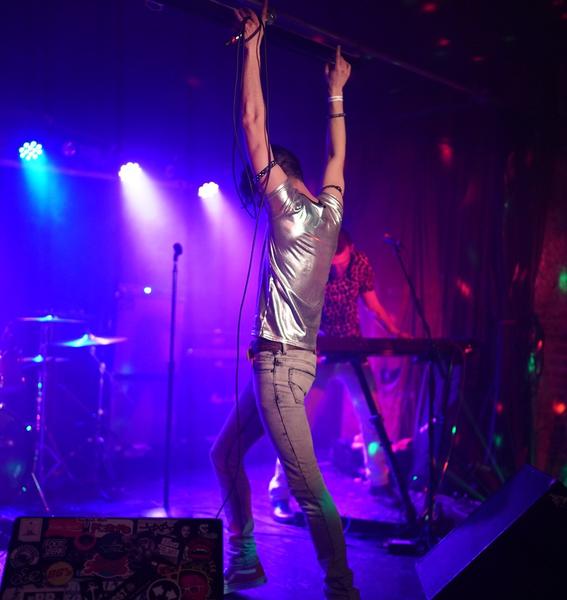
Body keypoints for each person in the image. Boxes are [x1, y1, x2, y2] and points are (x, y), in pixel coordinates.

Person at [209, 3, 360, 598]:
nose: (260, 187)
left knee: (308, 488)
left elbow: (253, 122)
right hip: (286, 365)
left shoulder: (290, 208)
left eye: (263, 179)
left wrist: (253, 44)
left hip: (277, 368)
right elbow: (337, 156)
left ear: (278, 174)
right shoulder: (329, 213)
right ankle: (245, 559)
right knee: (225, 453)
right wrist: (336, 92)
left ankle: (342, 587)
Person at [269, 229, 405, 522]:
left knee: (372, 416)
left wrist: (396, 332)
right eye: (332, 264)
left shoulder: (360, 263)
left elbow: (373, 306)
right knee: (299, 422)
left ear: (351, 250)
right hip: (320, 351)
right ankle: (281, 491)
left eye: (341, 263)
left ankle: (379, 481)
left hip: (352, 348)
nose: (337, 269)